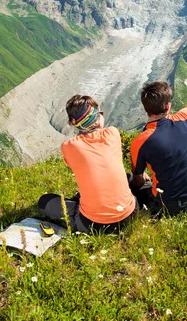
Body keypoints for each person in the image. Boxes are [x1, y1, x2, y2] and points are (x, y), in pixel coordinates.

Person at [38, 94, 138, 233]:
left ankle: (81, 214)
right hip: (130, 214)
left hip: (94, 225)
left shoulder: (69, 146)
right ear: (98, 117)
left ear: (74, 122)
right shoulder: (113, 133)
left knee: (44, 201)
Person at [130, 73, 187, 216]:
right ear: (168, 106)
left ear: (146, 108)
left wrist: (142, 179)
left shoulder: (140, 141)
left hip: (162, 207)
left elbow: (138, 180)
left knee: (132, 181)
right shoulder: (184, 118)